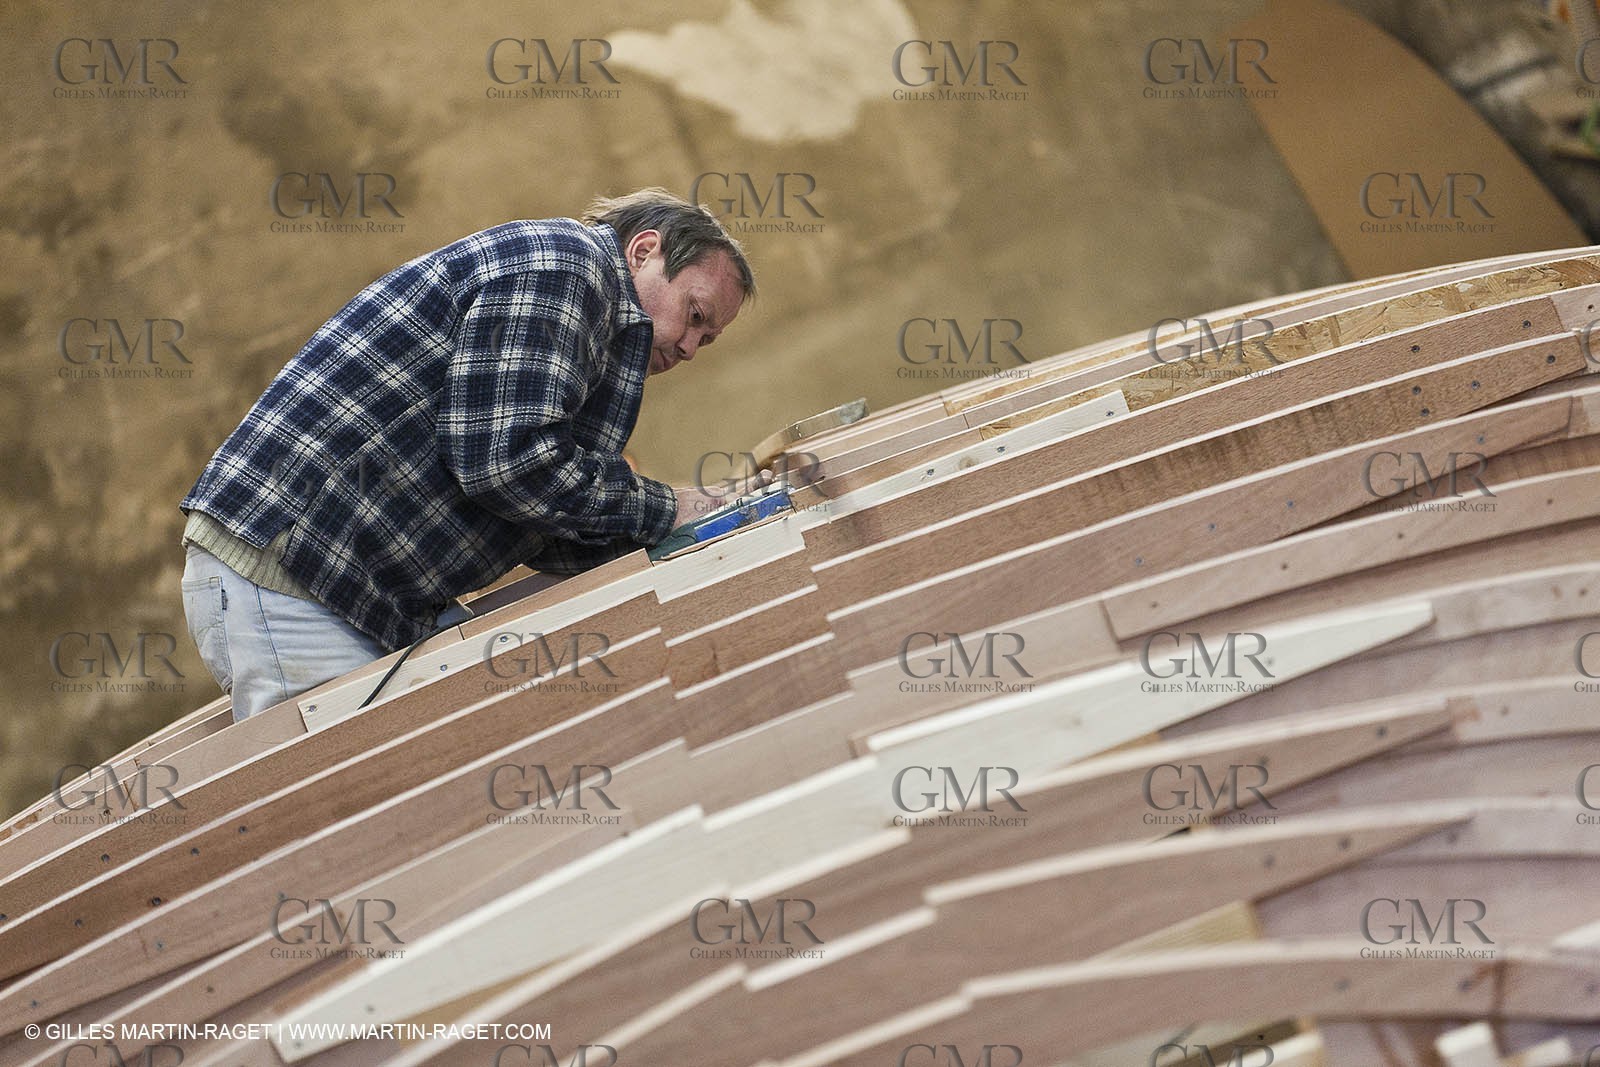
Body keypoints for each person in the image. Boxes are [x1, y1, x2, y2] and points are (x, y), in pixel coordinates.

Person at [179, 188, 756, 721]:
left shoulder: (584, 311)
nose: (688, 347)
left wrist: (682, 532)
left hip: (346, 590)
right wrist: (665, 509)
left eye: (705, 339)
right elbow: (509, 464)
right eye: (695, 315)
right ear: (645, 251)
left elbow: (541, 519)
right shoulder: (563, 269)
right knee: (358, 809)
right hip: (292, 579)